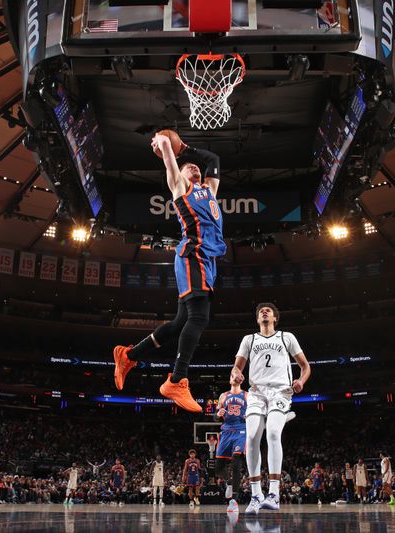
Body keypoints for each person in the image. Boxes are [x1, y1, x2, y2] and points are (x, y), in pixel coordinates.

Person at [113, 133, 225, 413]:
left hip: (207, 259)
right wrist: (163, 142)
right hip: (193, 253)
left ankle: (129, 356)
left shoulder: (209, 191)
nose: (194, 167)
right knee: (199, 317)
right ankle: (176, 379)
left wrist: (187, 148)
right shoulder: (179, 187)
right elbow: (167, 153)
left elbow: (214, 159)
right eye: (188, 166)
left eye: (195, 167)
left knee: (180, 322)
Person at [231, 303, 312, 514]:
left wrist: (301, 381)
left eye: (268, 311)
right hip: (257, 392)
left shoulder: (287, 337)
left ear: (275, 318)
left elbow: (305, 366)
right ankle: (256, 495)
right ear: (258, 319)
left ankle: (274, 493)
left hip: (280, 391)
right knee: (251, 438)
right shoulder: (249, 339)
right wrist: (236, 375)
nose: (264, 312)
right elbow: (236, 367)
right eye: (261, 311)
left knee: (274, 434)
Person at [215, 376, 247, 513]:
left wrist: (249, 415)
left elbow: (255, 412)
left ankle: (234, 500)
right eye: (232, 376)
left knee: (236, 463)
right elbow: (215, 417)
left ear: (242, 379)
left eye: (237, 376)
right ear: (229, 380)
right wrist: (217, 414)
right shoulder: (223, 395)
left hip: (241, 429)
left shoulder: (247, 395)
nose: (235, 378)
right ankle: (228, 482)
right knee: (218, 468)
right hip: (226, 430)